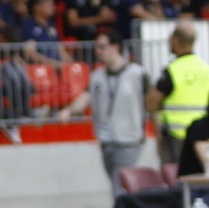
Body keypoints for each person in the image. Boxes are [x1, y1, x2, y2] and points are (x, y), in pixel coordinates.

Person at [60, 34, 149, 198]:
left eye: (102, 47)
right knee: (118, 185)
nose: (98, 51)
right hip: (106, 139)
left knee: (119, 186)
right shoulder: (97, 76)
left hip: (129, 139)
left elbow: (151, 103)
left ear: (115, 47)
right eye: (97, 47)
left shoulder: (138, 74)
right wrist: (69, 110)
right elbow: (85, 97)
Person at [145, 21, 209, 166]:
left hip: (177, 136)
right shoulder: (208, 70)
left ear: (175, 40)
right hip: (204, 135)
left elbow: (151, 103)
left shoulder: (173, 70)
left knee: (174, 175)